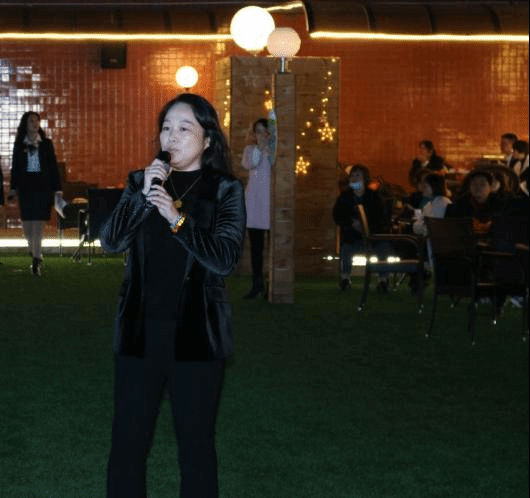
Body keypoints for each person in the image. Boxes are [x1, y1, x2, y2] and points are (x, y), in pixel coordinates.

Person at [100, 93, 246, 498]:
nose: (172, 136)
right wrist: (143, 196)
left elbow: (224, 259)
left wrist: (177, 219)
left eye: (184, 128)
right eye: (166, 128)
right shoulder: (140, 181)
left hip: (197, 339)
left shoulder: (224, 189)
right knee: (127, 444)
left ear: (208, 140)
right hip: (139, 334)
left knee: (195, 446)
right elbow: (111, 242)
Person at [9, 111, 62, 276]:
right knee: (27, 228)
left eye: (37, 120)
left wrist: (57, 189)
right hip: (26, 189)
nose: (35, 123)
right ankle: (34, 251)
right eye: (31, 121)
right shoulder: (20, 145)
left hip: (43, 188)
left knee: (38, 225)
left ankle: (36, 259)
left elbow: (53, 167)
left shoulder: (46, 144)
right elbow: (15, 168)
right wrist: (13, 188)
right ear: (25, 124)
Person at [332, 164, 390, 292]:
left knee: (383, 247)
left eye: (357, 175)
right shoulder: (344, 197)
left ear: (365, 178)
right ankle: (345, 278)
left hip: (373, 238)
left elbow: (381, 218)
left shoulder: (374, 197)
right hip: (352, 237)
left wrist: (366, 226)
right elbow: (337, 216)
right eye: (352, 176)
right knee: (346, 248)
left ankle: (383, 280)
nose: (354, 178)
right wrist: (350, 223)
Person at [241, 118, 272, 298]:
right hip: (254, 204)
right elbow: (250, 164)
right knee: (256, 248)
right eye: (258, 131)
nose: (261, 134)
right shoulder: (249, 150)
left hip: (272, 204)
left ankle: (272, 285)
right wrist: (260, 148)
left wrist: (268, 148)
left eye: (264, 130)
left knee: (273, 248)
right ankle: (257, 284)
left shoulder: (275, 151)